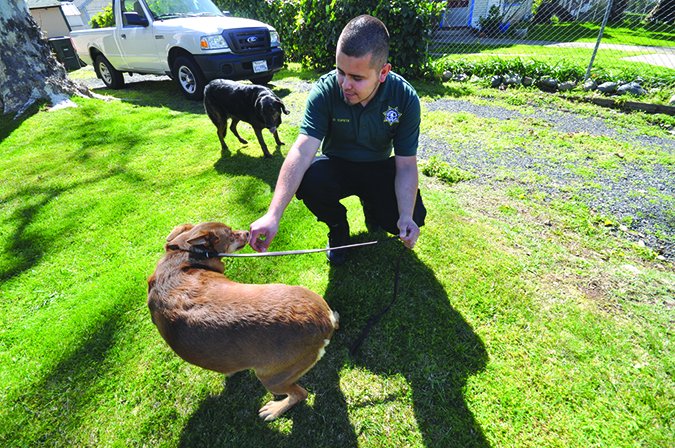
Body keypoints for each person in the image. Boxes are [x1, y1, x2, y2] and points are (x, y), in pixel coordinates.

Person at [249, 14, 426, 265]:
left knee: (413, 216)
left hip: (377, 166)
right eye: (340, 72)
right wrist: (273, 214)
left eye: (357, 78)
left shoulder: (405, 97)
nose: (345, 84)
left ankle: (373, 207)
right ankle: (338, 228)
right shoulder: (325, 91)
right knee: (310, 179)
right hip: (338, 165)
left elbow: (406, 164)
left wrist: (406, 216)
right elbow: (301, 150)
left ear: (383, 72)